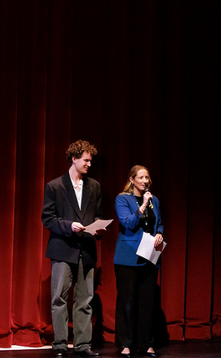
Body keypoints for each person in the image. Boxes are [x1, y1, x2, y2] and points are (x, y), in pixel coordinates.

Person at [43, 140, 104, 357]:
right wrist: (69, 226)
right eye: (86, 160)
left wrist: (98, 226)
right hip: (63, 248)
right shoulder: (55, 186)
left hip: (86, 250)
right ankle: (59, 344)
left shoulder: (94, 186)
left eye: (90, 160)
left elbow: (96, 214)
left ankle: (82, 345)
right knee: (59, 297)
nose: (89, 164)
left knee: (85, 299)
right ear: (74, 159)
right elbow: (47, 219)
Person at [113, 166, 164, 357]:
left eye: (147, 178)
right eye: (141, 178)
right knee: (127, 301)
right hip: (128, 257)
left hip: (149, 256)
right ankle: (126, 344)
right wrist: (142, 206)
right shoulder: (122, 199)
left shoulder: (154, 200)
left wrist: (159, 233)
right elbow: (128, 223)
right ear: (132, 180)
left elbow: (159, 222)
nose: (145, 181)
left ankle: (147, 343)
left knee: (148, 302)